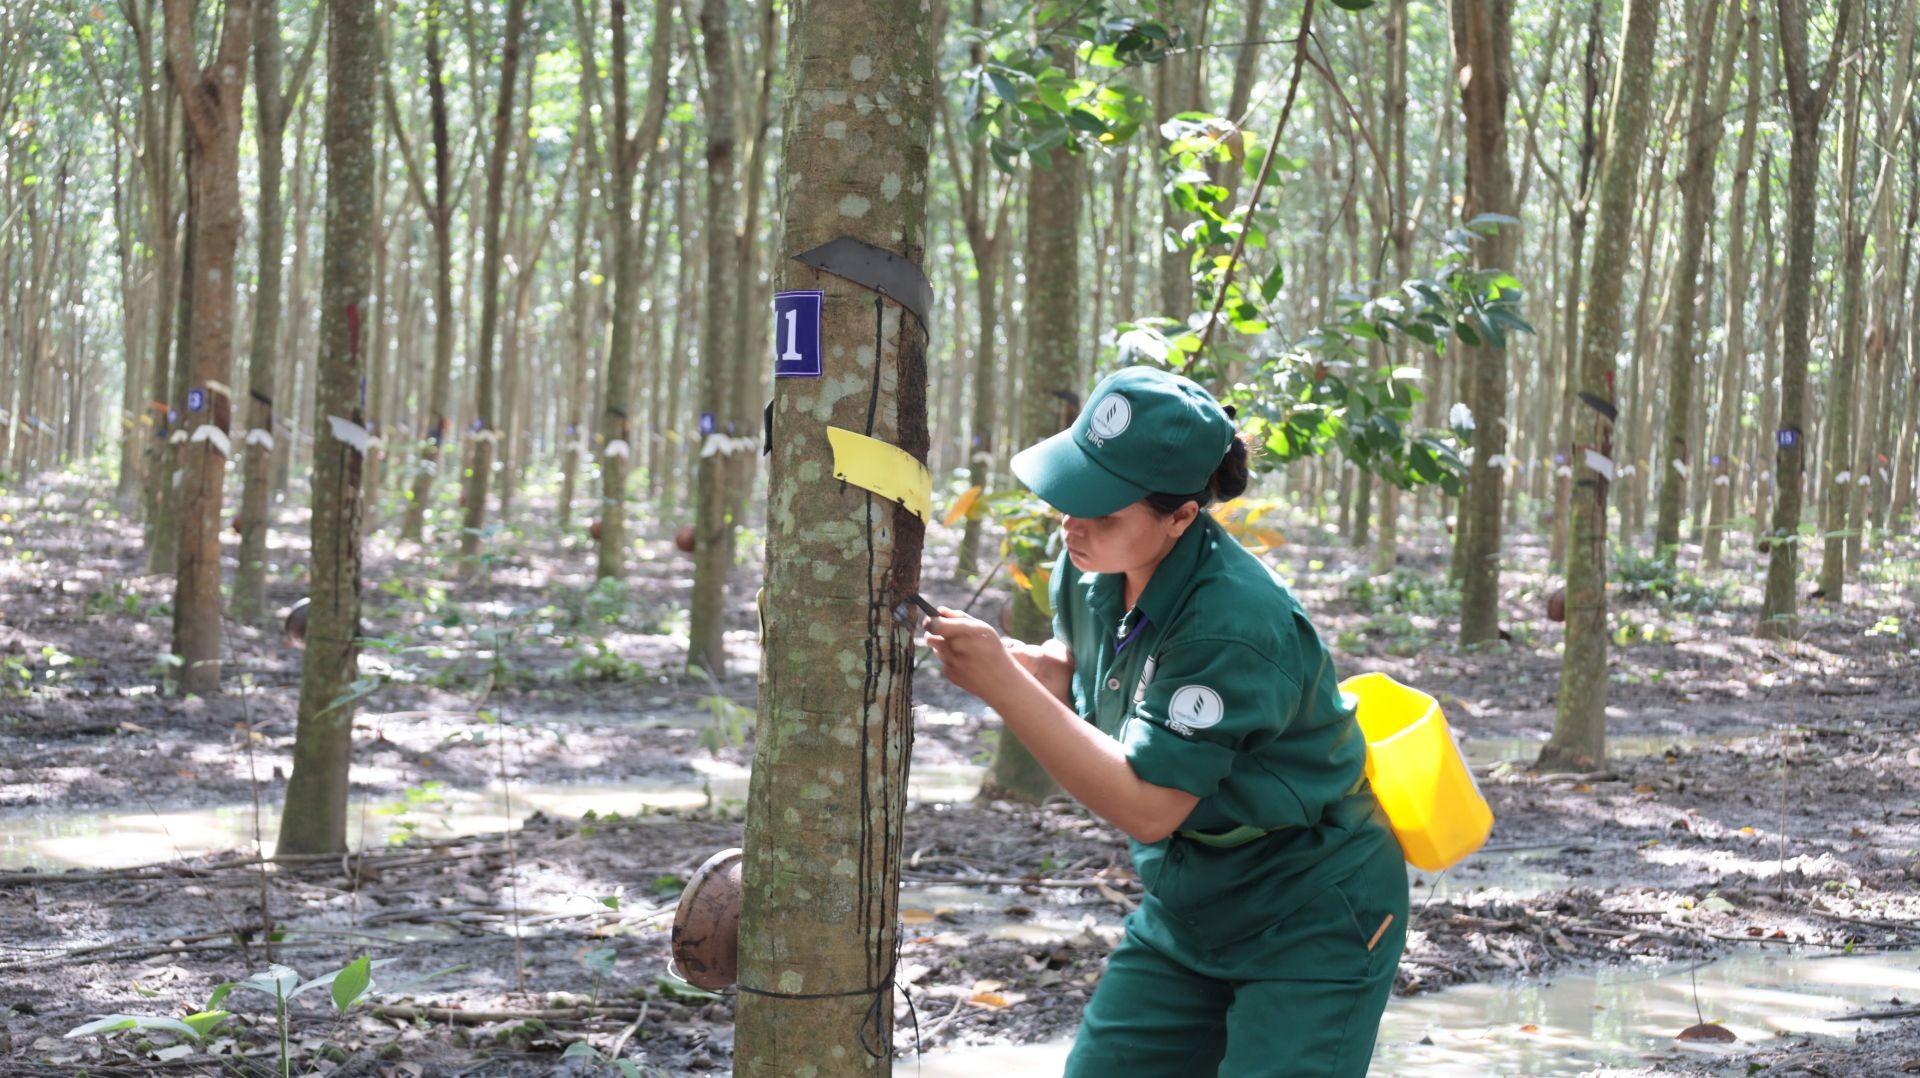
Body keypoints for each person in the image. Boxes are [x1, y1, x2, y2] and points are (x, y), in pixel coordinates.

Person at [923, 366, 1407, 1077]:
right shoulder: (1088, 564)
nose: (1072, 524)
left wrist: (1001, 684)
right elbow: (1094, 663)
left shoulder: (1233, 625)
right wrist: (1037, 667)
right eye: (1070, 495)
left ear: (1181, 517)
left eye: (1104, 510)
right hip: (1191, 903)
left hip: (1311, 910)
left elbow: (1148, 806)